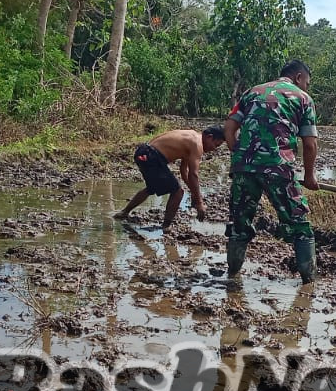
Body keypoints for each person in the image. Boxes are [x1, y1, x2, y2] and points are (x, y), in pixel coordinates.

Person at [223, 60, 320, 284]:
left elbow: (229, 128)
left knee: (239, 225)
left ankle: (233, 276)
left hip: (243, 168)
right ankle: (309, 282)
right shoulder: (303, 99)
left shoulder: (252, 92)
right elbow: (309, 144)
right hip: (278, 168)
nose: (307, 86)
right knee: (300, 225)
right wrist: (309, 175)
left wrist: (240, 154)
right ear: (298, 78)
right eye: (307, 82)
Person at [114, 125, 226, 228]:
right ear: (209, 137)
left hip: (143, 152)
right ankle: (166, 226)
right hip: (152, 156)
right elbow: (193, 174)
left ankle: (124, 212)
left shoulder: (192, 137)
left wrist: (193, 192)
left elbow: (184, 170)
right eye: (216, 145)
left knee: (152, 188)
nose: (214, 149)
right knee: (178, 192)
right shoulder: (198, 144)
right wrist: (199, 202)